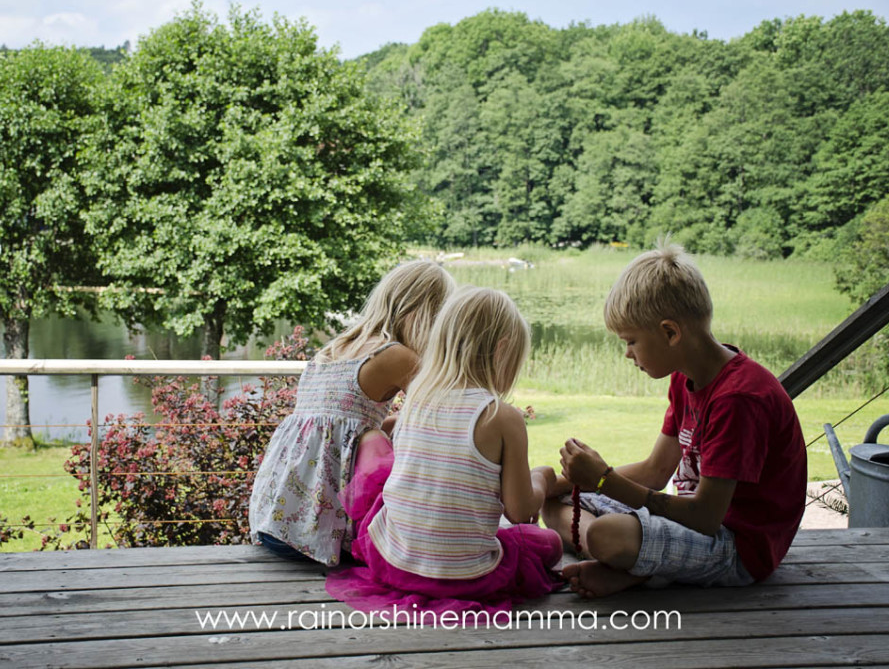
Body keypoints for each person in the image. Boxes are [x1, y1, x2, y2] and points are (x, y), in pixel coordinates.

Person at [541, 240, 807, 598]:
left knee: (606, 536)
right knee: (556, 505)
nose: (627, 353)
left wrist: (603, 480)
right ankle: (632, 565)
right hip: (688, 521)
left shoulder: (738, 399)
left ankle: (634, 567)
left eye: (632, 341)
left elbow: (706, 517)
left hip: (738, 547)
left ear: (670, 332)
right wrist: (565, 482)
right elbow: (655, 471)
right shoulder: (685, 378)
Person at [326, 286, 563, 616]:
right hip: (468, 579)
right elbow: (521, 512)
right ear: (503, 349)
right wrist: (542, 480)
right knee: (549, 543)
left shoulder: (417, 401)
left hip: (392, 563)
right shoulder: (501, 416)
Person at [249, 260, 455, 565]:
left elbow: (341, 431)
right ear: (428, 315)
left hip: (274, 524)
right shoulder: (395, 355)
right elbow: (446, 416)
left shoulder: (333, 349)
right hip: (315, 537)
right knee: (379, 441)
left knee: (374, 435)